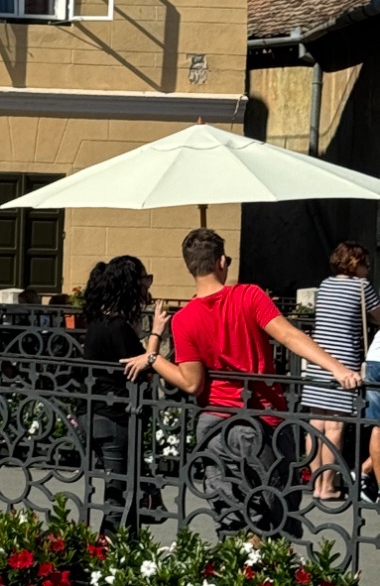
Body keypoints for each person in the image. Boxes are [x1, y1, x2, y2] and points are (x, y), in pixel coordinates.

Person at [138, 227, 361, 534]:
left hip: (214, 422)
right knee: (275, 515)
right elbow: (289, 335)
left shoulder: (185, 318)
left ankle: (234, 562)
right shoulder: (248, 295)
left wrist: (154, 358)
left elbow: (191, 384)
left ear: (190, 267)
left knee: (230, 516)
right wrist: (337, 368)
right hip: (261, 420)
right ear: (221, 262)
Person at [80, 255, 162, 525]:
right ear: (131, 284)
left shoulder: (99, 322)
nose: (148, 285)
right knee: (119, 497)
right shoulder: (117, 327)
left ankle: (121, 544)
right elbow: (145, 366)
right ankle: (108, 547)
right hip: (114, 417)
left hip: (98, 412)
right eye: (145, 279)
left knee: (124, 490)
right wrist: (156, 333)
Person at [302, 241, 380, 498]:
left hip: (319, 361)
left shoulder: (325, 285)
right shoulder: (362, 287)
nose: (368, 268)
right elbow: (378, 316)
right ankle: (328, 485)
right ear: (355, 264)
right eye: (366, 263)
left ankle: (315, 484)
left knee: (316, 425)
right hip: (344, 362)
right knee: (335, 426)